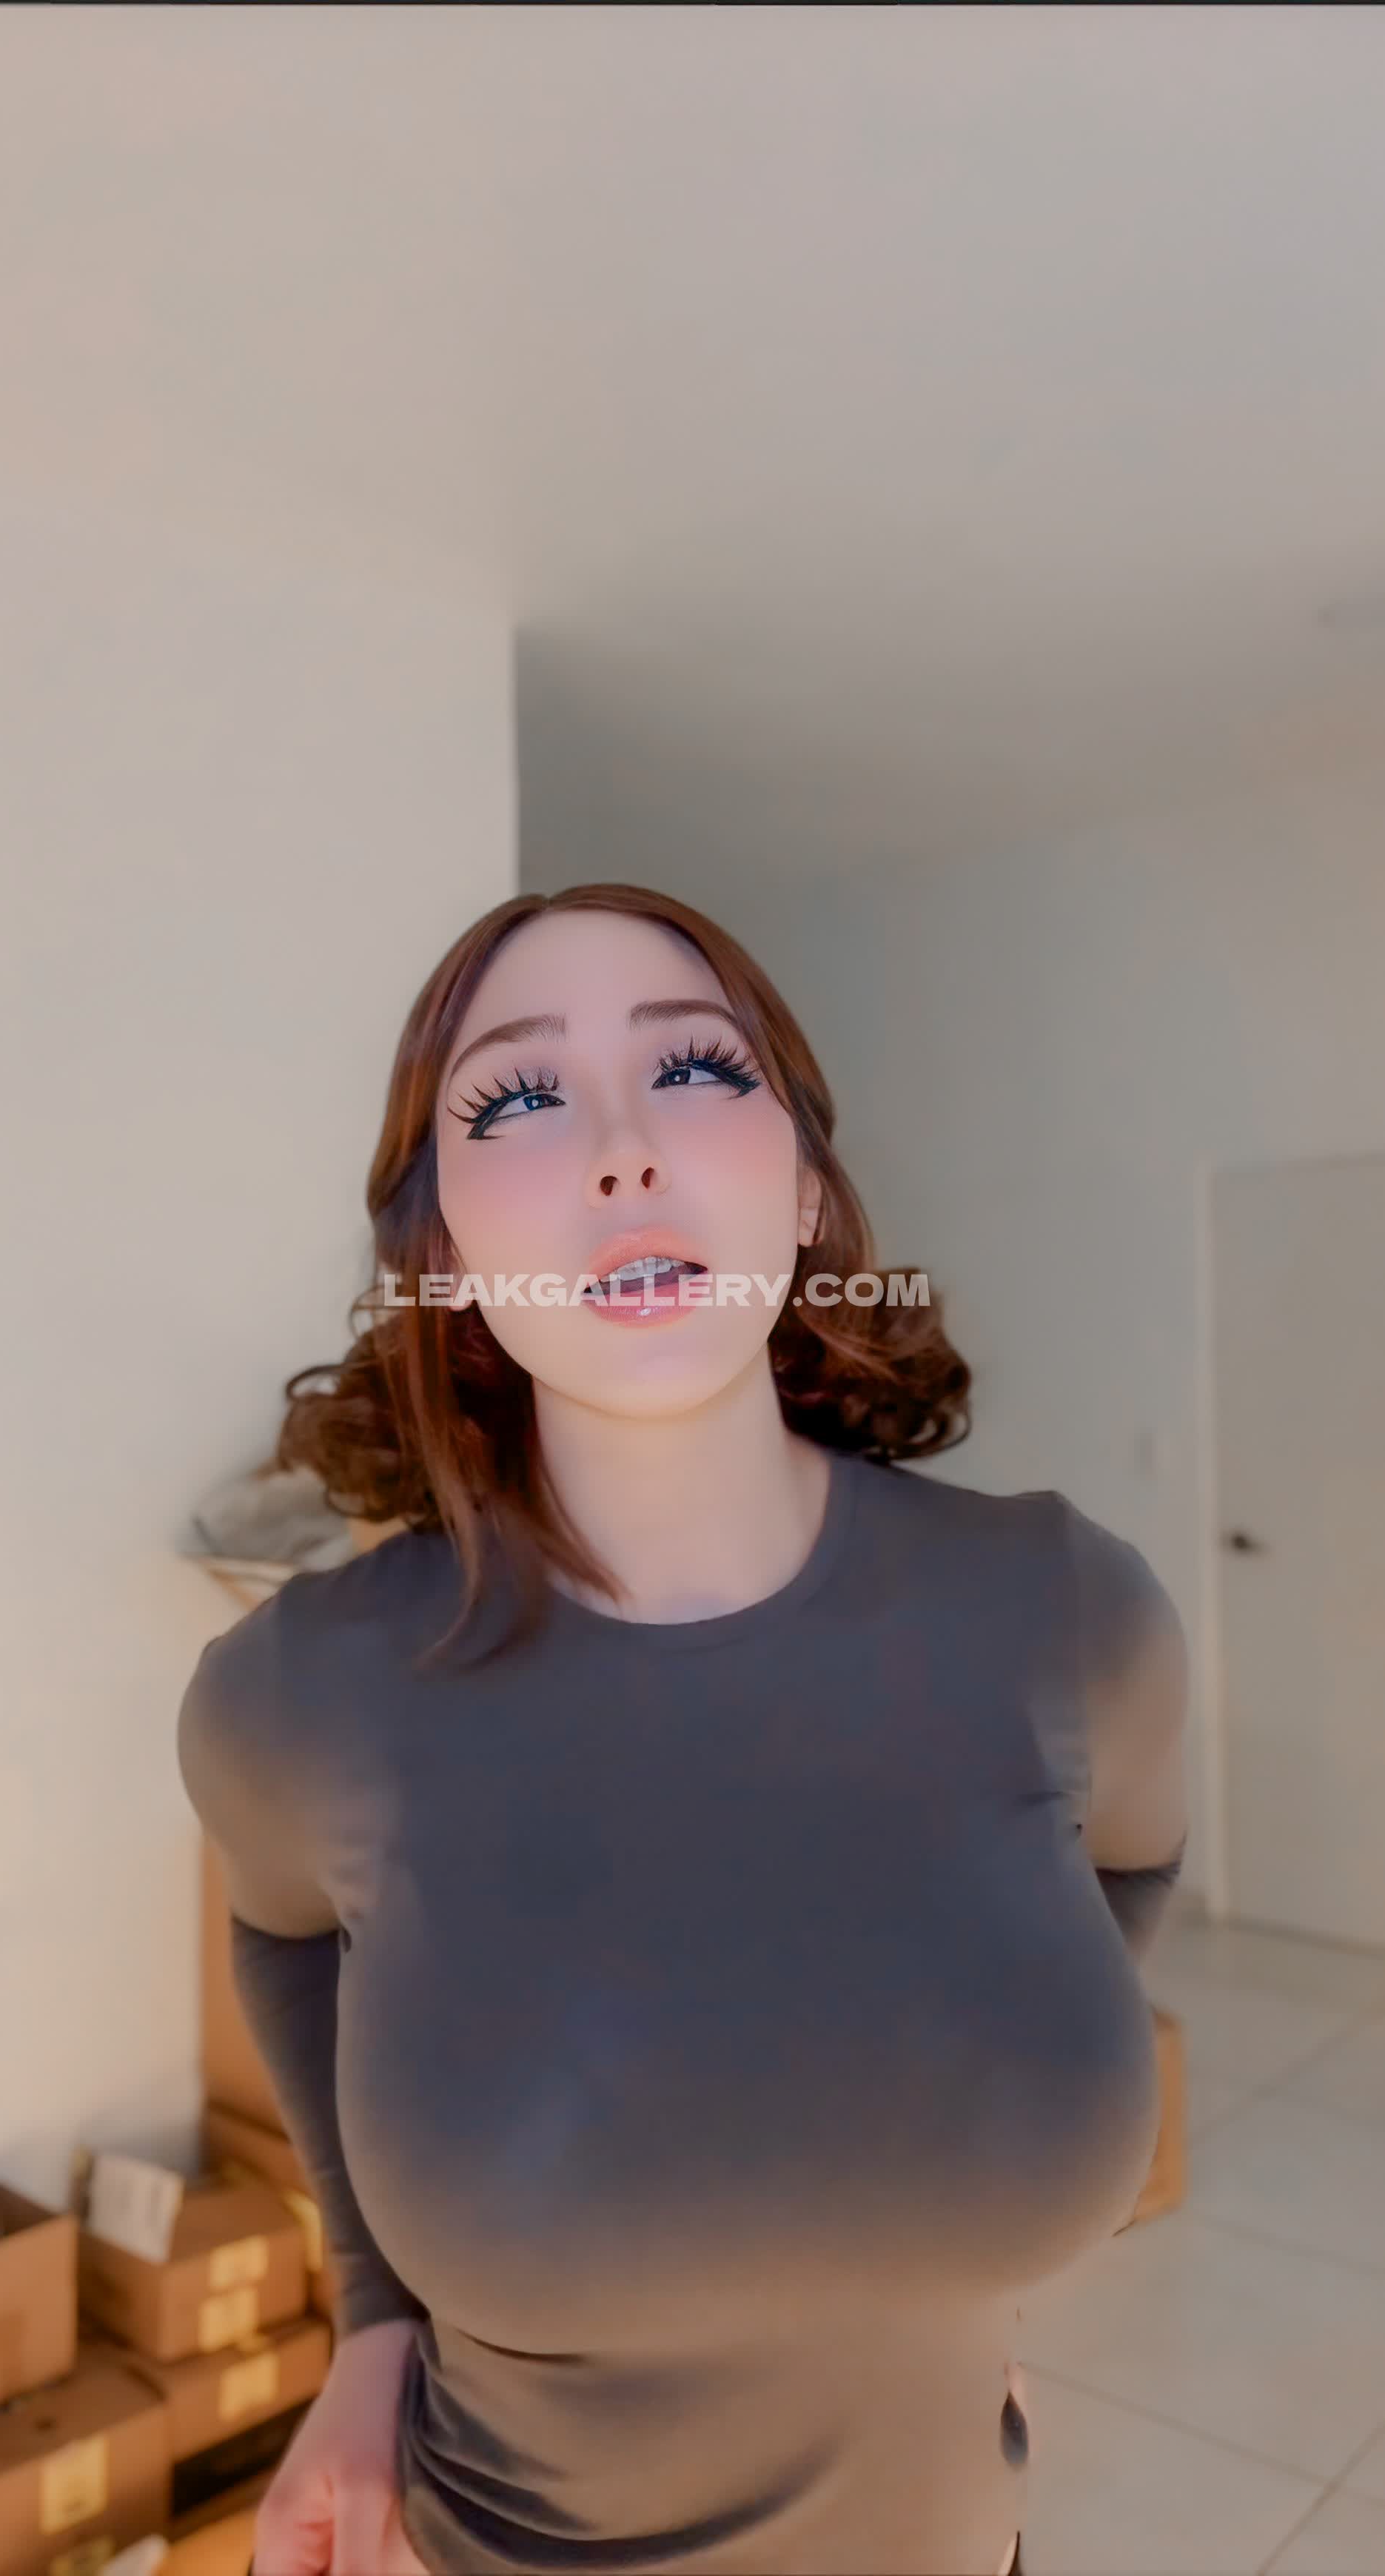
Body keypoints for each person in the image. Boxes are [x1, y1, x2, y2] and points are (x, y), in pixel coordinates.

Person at [179, 883, 1189, 2576]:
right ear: (443, 1252)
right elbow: (281, 1935)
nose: (624, 1152)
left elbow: (1125, 1866)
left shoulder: (1069, 1614)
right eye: (520, 1097)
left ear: (806, 1191)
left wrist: (922, 2263)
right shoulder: (299, 1694)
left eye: (696, 1073)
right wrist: (373, 2321)